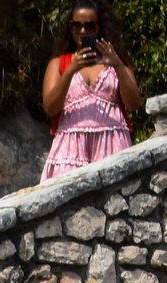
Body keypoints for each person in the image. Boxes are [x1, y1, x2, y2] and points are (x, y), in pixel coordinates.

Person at [40, 2, 142, 184]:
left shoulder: (116, 61)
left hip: (112, 146)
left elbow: (134, 103)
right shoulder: (58, 64)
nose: (82, 31)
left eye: (90, 25)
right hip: (70, 150)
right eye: (76, 25)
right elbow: (50, 107)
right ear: (69, 26)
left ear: (100, 27)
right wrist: (71, 70)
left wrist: (117, 64)